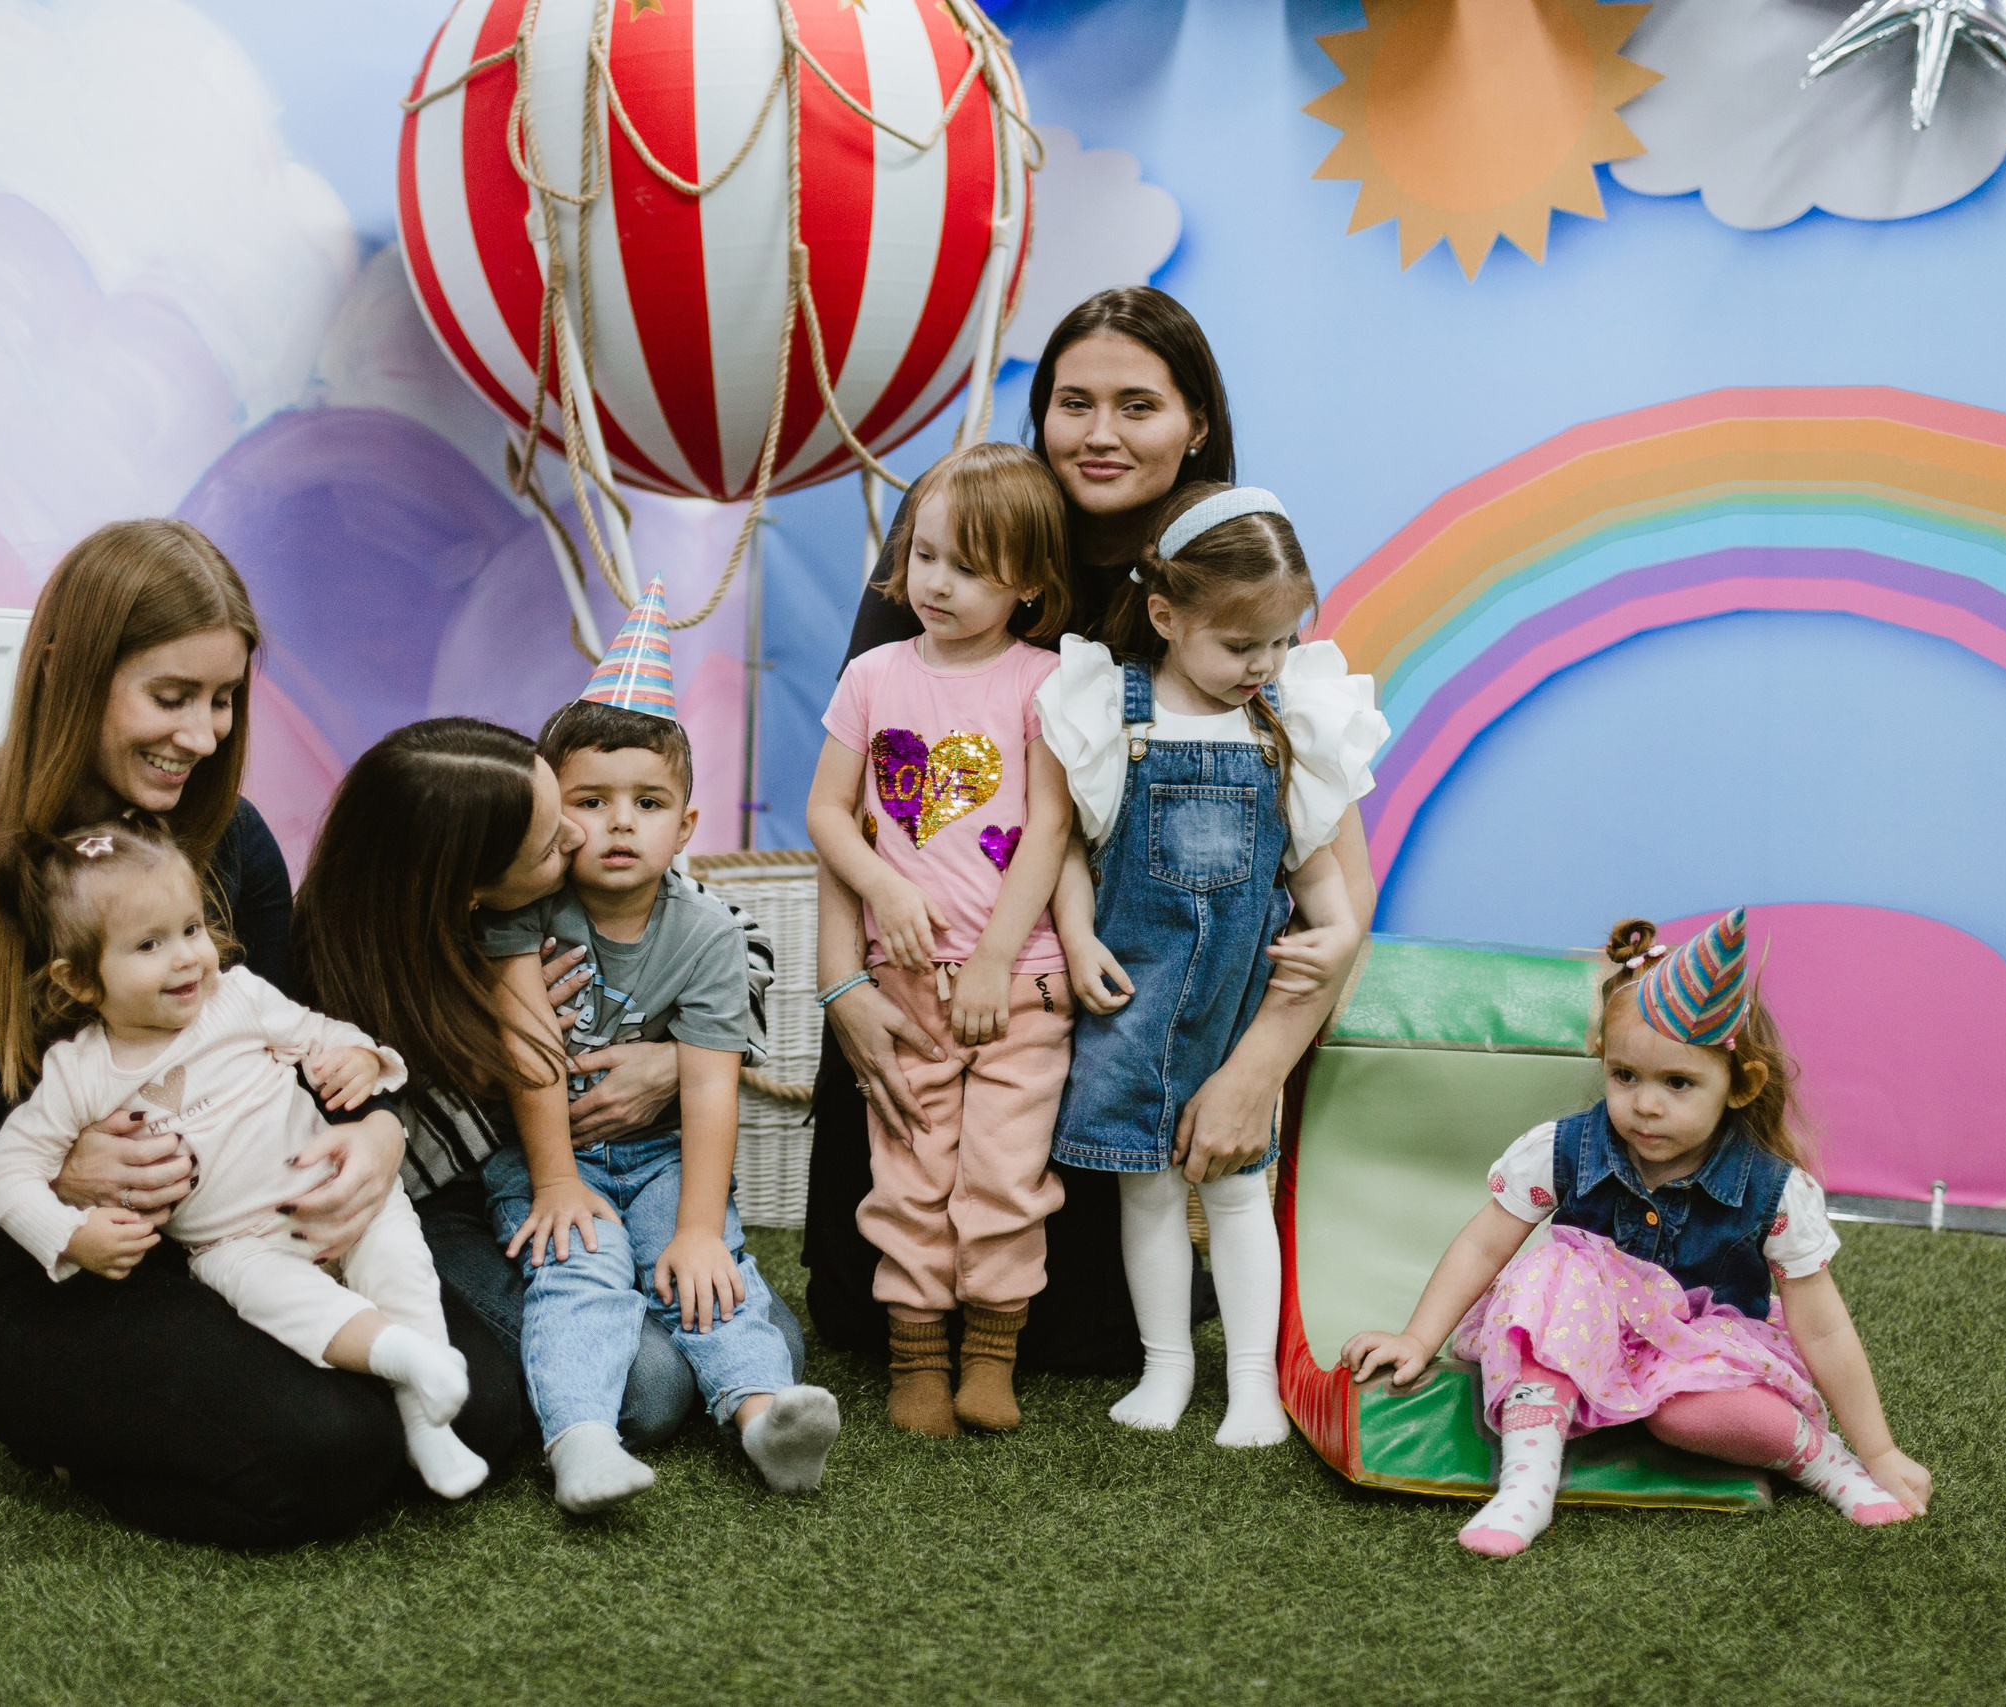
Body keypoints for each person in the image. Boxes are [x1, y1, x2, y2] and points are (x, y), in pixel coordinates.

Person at [0, 518, 518, 1547]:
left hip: (245, 1222)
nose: (204, 735)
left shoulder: (231, 839)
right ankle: (61, 1437)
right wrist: (44, 1167)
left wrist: (379, 1130)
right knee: (333, 1451)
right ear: (66, 672)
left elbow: (296, 1037)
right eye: (172, 697)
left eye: (222, 700)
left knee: (489, 1407)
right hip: (64, 1269)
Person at [810, 287, 1381, 1374]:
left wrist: (1254, 1072)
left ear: (1196, 421)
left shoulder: (1228, 569)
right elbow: (864, 794)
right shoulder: (961, 529)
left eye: (1138, 404)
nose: (1100, 433)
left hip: (1099, 1017)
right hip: (917, 988)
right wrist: (842, 989)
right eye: (1074, 402)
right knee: (857, 1316)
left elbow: (1336, 884)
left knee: (1082, 1340)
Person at [1343, 911, 1934, 1557]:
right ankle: (1527, 1485)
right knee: (1555, 1272)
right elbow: (1485, 1244)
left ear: (1740, 1085)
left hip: (1699, 1353)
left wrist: (1879, 1450)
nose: (1646, 1104)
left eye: (1678, 1083)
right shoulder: (1563, 1149)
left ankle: (1824, 1459)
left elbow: (1822, 1327)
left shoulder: (1773, 1191)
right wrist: (1417, 1337)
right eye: (1625, 1075)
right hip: (1574, 1332)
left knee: (1687, 1417)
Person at [286, 716, 805, 1453]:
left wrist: (673, 1059)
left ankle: (691, 1339)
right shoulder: (348, 971)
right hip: (461, 1194)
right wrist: (489, 1049)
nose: (583, 832)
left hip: (626, 1167)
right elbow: (402, 1121)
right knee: (652, 1387)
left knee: (766, 1332)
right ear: (473, 889)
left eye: (564, 809)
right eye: (554, 831)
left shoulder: (610, 879)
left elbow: (737, 941)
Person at [0, 823, 487, 1498]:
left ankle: (426, 1425)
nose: (187, 957)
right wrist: (71, 1236)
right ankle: (408, 1359)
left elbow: (322, 1033)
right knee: (293, 1305)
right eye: (149, 945)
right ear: (79, 981)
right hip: (236, 1244)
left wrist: (362, 1058)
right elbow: (2, 1173)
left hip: (335, 1191)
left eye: (192, 929)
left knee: (400, 1264)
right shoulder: (81, 1073)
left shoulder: (239, 998)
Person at [1038, 484, 1385, 1446]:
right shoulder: (1112, 712)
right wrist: (1076, 935)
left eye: (1280, 641)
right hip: (1131, 1004)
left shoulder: (1284, 728)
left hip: (1235, 1012)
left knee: (1236, 1195)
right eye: (1240, 645)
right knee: (1146, 1191)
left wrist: (1335, 935)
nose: (1263, 665)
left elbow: (1322, 879)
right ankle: (1166, 1366)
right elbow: (1065, 844)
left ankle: (1251, 1384)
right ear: (1165, 616)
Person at [483, 581, 841, 1511]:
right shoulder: (527, 907)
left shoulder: (711, 933)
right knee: (580, 1267)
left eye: (646, 802)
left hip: (661, 1156)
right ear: (551, 814)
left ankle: (763, 1419)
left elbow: (711, 1087)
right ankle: (581, 1441)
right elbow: (528, 1047)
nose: (619, 822)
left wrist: (696, 1227)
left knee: (714, 1274)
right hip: (546, 1152)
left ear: (684, 826)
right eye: (590, 800)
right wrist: (556, 1181)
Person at [807, 444, 1078, 1436]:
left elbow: (1051, 827)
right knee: (911, 1175)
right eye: (925, 556)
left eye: (968, 567)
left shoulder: (1044, 682)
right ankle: (917, 1359)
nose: (937, 583)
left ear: (1029, 583)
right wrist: (883, 884)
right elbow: (827, 811)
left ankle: (992, 1355)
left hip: (1020, 985)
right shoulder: (873, 675)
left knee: (1005, 1175)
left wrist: (998, 959)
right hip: (906, 986)